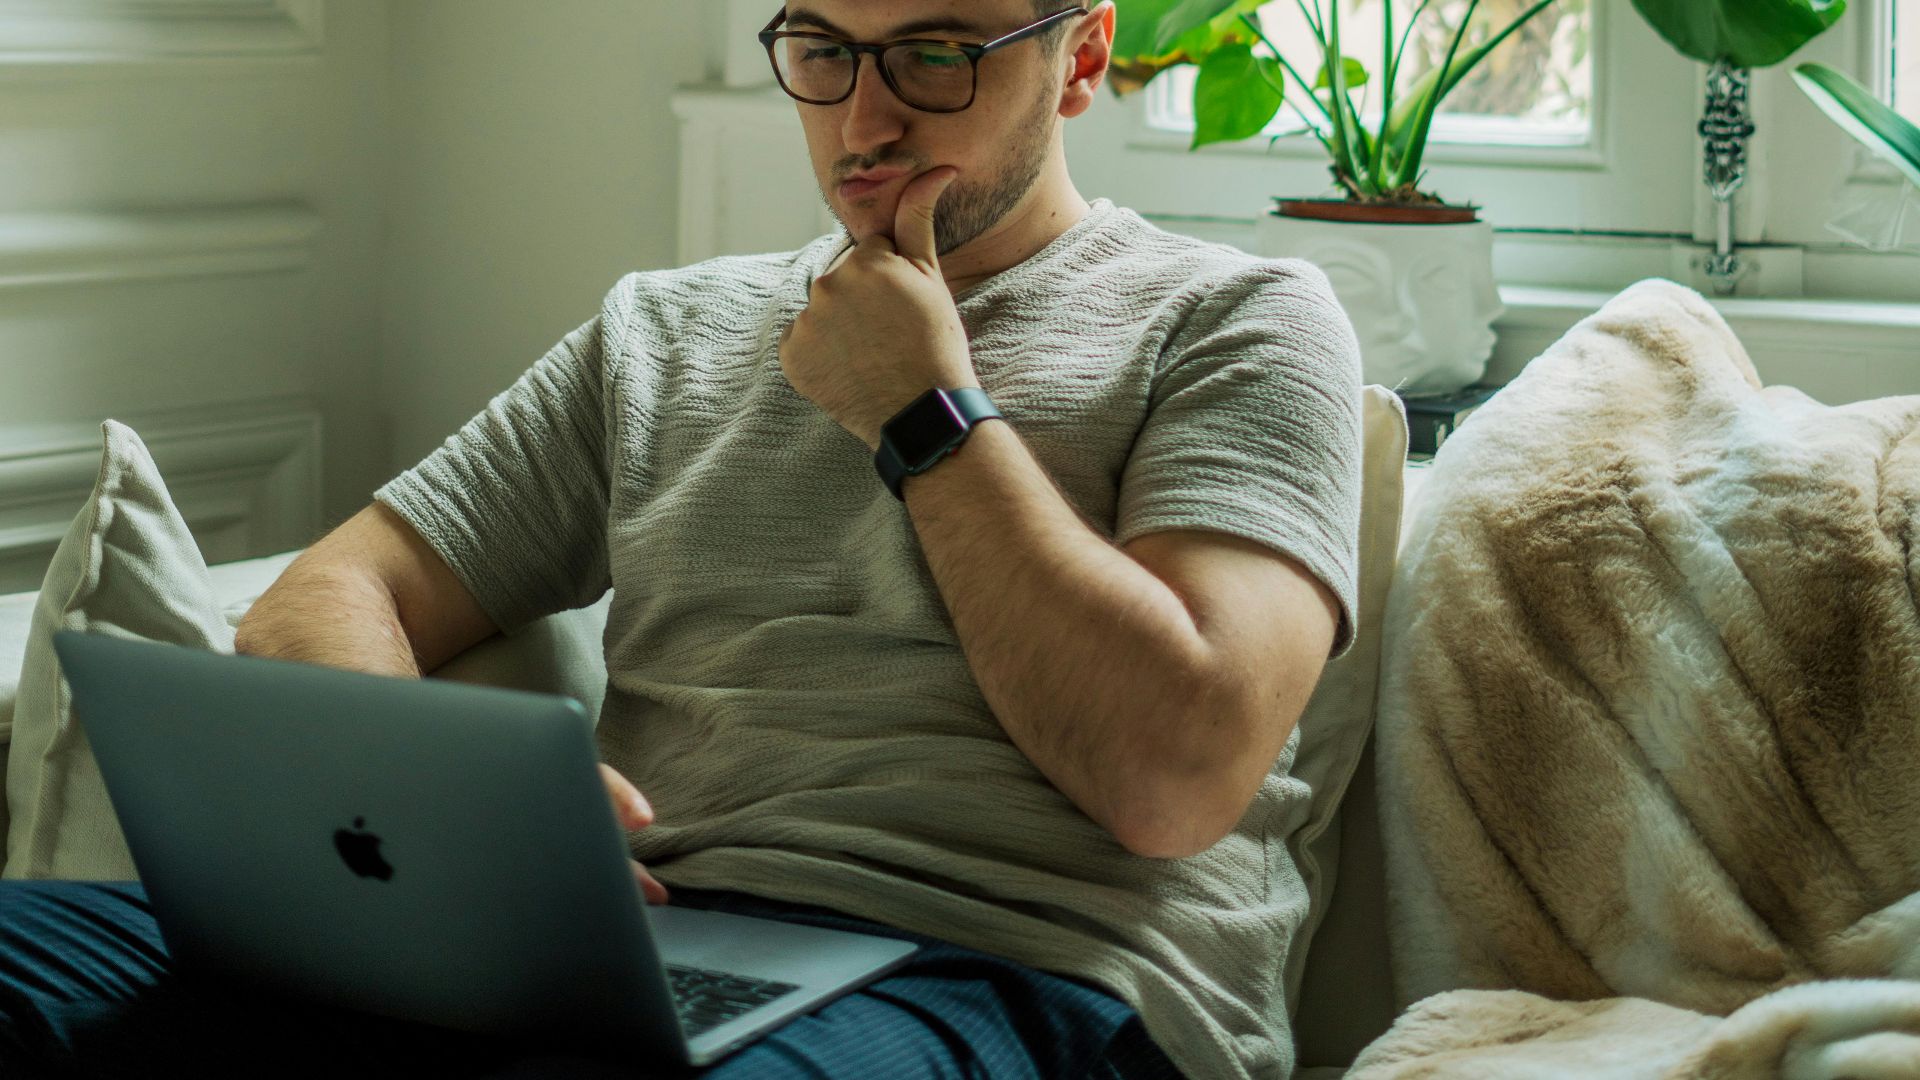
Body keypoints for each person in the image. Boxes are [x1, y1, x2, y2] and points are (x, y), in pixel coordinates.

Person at [0, 1, 1365, 1077]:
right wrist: (472, 828)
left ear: (1080, 59)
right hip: (623, 953)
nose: (865, 115)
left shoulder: (1240, 321)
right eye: (823, 50)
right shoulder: (668, 328)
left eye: (938, 56)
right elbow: (332, 593)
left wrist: (925, 408)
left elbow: (1175, 776)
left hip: (1019, 975)